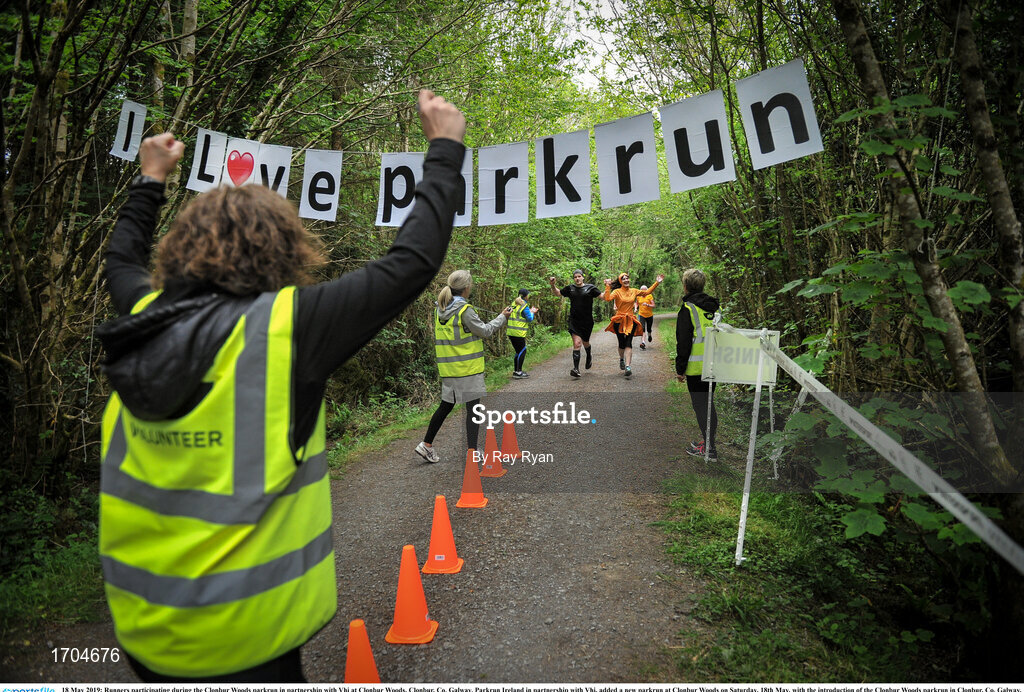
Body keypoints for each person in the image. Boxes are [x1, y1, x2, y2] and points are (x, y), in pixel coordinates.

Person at [96, 90, 467, 682]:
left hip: (146, 634)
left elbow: (121, 259)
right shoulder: (283, 330)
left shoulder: (142, 320)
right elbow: (410, 264)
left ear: (182, 250)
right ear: (281, 250)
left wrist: (149, 181)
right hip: (251, 642)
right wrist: (444, 148)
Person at [415, 270, 511, 463]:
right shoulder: (463, 310)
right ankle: (473, 452)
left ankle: (426, 445)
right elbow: (485, 331)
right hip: (467, 369)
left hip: (449, 369)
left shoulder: (440, 309)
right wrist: (502, 317)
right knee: (473, 410)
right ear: (467, 288)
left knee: (445, 406)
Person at [675, 268, 721, 460]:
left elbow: (683, 342)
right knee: (708, 404)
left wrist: (680, 368)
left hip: (696, 369)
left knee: (701, 406)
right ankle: (708, 442)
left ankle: (709, 449)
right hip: (715, 365)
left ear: (685, 287)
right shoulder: (715, 307)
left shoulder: (688, 309)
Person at [602, 271, 663, 377]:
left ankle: (628, 366)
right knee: (621, 343)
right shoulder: (617, 291)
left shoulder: (634, 291)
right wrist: (607, 286)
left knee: (628, 343)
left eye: (627, 278)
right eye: (623, 278)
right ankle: (621, 359)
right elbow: (607, 298)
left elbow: (647, 292)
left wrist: (656, 282)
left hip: (630, 320)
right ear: (621, 281)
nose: (626, 280)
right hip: (619, 320)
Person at [548, 270, 601, 378]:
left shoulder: (591, 288)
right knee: (577, 343)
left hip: (587, 321)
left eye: (579, 276)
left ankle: (589, 355)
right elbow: (558, 293)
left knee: (586, 342)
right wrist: (553, 285)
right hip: (574, 321)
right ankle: (576, 369)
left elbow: (603, 296)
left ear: (583, 277)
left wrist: (608, 286)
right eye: (575, 277)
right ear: (574, 279)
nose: (577, 278)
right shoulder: (570, 288)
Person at [507, 288, 539, 379]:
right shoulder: (524, 305)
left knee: (518, 351)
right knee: (522, 351)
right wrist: (532, 312)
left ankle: (516, 371)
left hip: (511, 331)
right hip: (518, 332)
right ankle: (518, 372)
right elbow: (529, 319)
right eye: (528, 295)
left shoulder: (513, 303)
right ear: (525, 296)